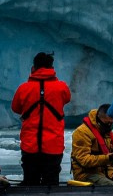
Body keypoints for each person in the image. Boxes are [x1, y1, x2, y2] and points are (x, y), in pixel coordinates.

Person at [11, 52, 71, 187]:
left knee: (31, 182)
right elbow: (67, 99)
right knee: (51, 183)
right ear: (52, 67)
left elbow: (16, 108)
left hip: (30, 145)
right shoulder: (62, 87)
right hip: (53, 145)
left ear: (34, 68)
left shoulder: (23, 88)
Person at [71, 105, 113, 186]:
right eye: (107, 123)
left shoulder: (106, 131)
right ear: (99, 119)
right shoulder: (82, 132)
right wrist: (107, 158)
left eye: (111, 123)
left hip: (106, 172)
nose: (109, 125)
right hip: (86, 174)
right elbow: (84, 160)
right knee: (110, 185)